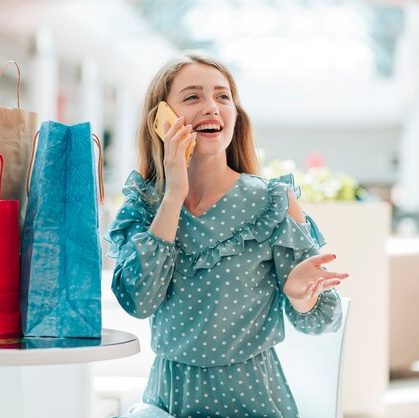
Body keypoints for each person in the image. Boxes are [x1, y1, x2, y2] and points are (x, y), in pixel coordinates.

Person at [104, 52, 349, 418]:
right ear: (161, 120)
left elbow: (324, 320)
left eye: (222, 96)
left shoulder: (272, 201)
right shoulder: (145, 206)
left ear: (236, 114)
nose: (211, 107)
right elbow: (139, 301)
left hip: (253, 401)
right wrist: (173, 194)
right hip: (168, 401)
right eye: (192, 97)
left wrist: (299, 296)